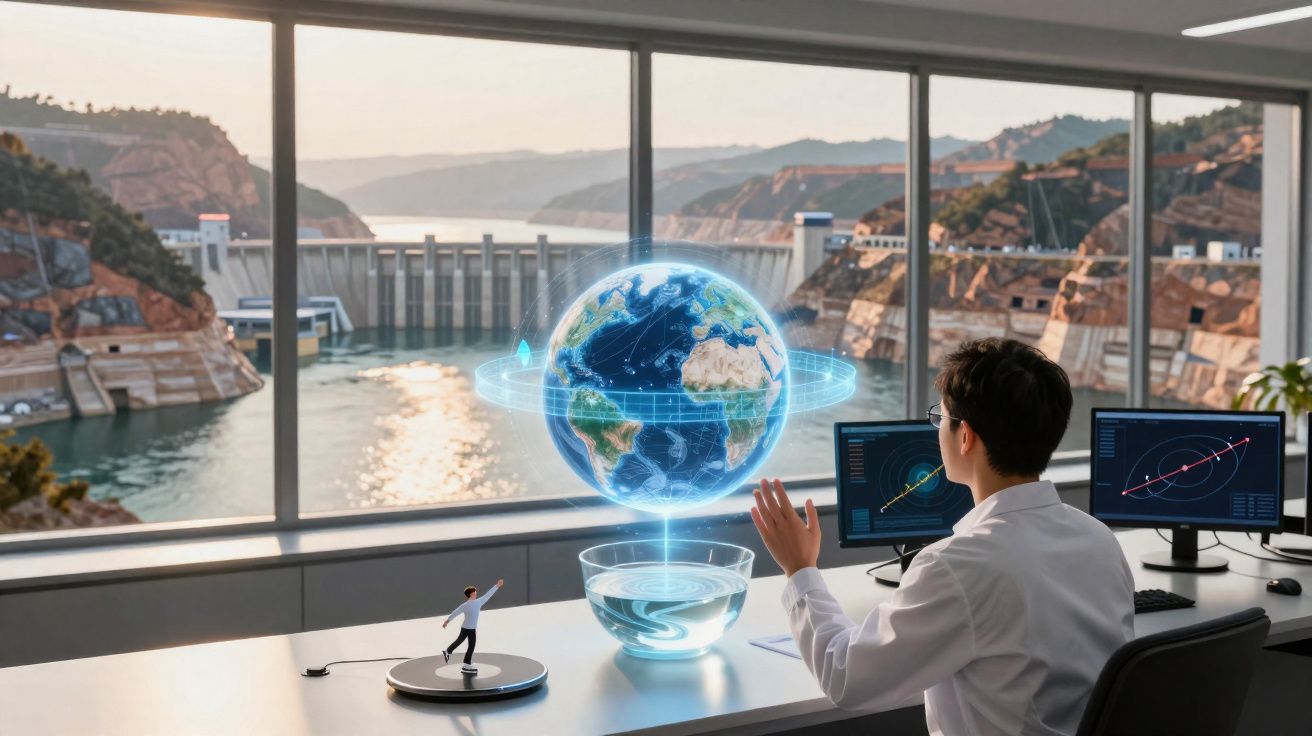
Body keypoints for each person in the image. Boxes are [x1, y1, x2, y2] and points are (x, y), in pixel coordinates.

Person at [751, 337, 1134, 736]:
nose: (938, 431)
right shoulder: (1100, 540)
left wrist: (800, 570)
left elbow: (845, 679)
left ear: (965, 436)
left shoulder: (957, 566)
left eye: (941, 417)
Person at [442, 578, 504, 674]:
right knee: (463, 643)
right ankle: (459, 659)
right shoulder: (465, 605)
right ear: (471, 594)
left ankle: (458, 658)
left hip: (471, 628)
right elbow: (456, 612)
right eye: (475, 591)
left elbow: (488, 595)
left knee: (469, 645)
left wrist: (497, 586)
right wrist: (448, 620)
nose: (476, 592)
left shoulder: (479, 602)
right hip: (466, 628)